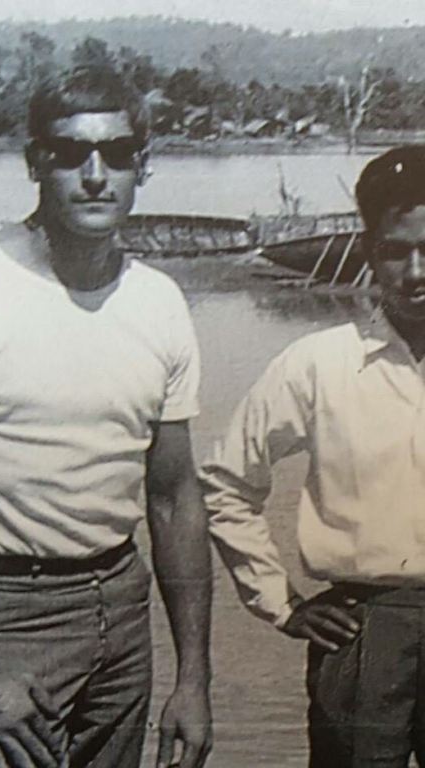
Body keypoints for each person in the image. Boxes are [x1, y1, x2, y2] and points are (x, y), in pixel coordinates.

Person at [0, 66, 212, 768]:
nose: (96, 176)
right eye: (71, 154)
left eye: (117, 154)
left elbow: (175, 498)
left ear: (142, 165)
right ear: (35, 162)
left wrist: (194, 680)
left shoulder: (159, 301)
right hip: (2, 610)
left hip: (121, 604)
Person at [202, 145, 425, 767]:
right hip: (364, 632)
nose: (415, 272)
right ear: (368, 251)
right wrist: (283, 603)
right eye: (395, 250)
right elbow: (225, 483)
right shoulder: (317, 365)